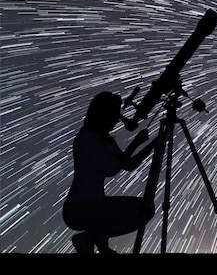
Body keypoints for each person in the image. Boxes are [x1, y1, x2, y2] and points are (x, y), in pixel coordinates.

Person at [63, 91, 157, 254]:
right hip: (79, 209)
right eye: (114, 114)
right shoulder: (87, 138)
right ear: (103, 114)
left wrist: (155, 143)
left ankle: (95, 238)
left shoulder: (104, 138)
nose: (117, 119)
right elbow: (110, 168)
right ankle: (94, 237)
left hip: (94, 205)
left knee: (145, 208)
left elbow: (128, 164)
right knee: (143, 210)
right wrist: (135, 143)